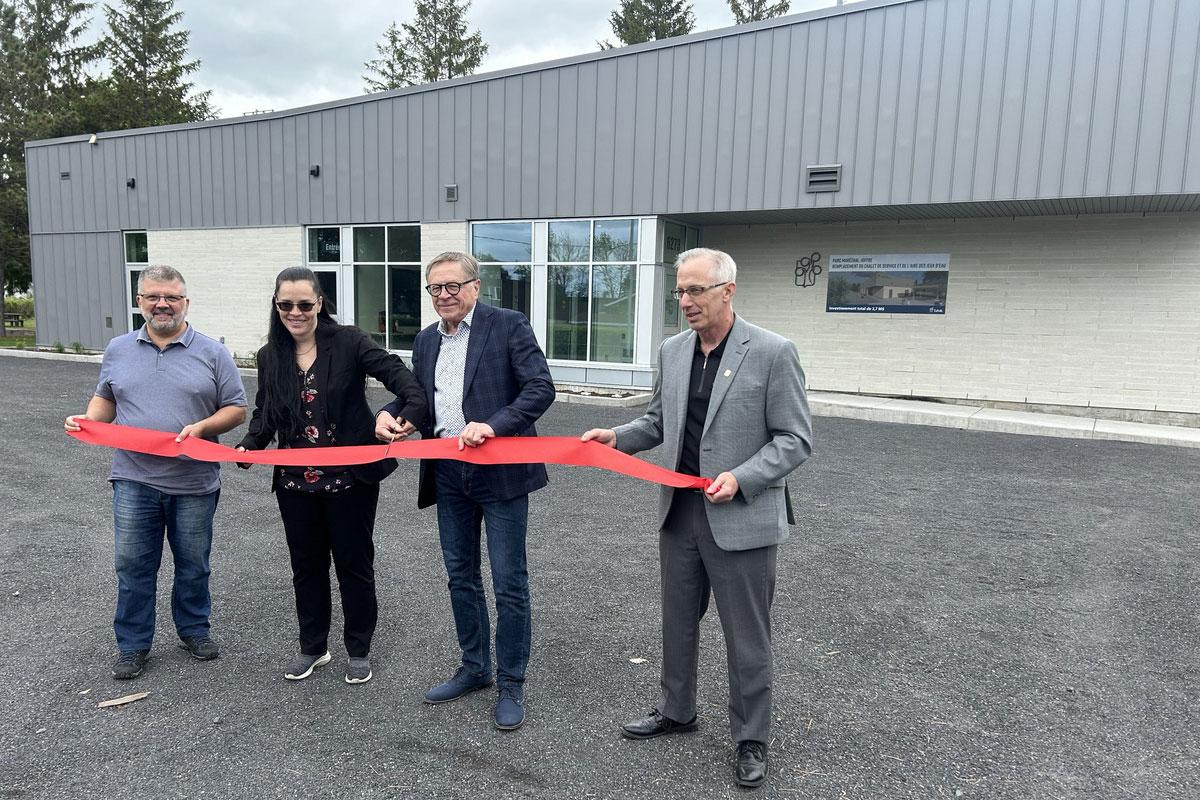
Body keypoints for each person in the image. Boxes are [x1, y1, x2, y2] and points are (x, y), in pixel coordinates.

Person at [582, 247, 812, 789]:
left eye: (695, 291)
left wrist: (743, 477)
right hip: (680, 511)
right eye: (679, 291)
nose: (684, 301)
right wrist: (618, 438)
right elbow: (659, 420)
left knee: (746, 636)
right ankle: (676, 709)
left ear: (727, 291)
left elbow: (796, 439)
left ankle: (751, 736)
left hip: (743, 517)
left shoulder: (774, 352)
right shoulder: (674, 349)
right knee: (677, 622)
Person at [375, 251, 554, 731]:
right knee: (460, 574)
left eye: (453, 286)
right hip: (448, 472)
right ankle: (475, 668)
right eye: (435, 288)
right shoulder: (427, 339)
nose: (444, 296)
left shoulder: (509, 325)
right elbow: (421, 396)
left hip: (500, 471)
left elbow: (540, 389)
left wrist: (493, 426)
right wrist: (391, 414)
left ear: (475, 287)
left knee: (508, 581)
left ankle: (511, 682)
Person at [236, 267, 425, 685]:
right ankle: (313, 647)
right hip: (294, 483)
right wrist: (251, 445)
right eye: (286, 305)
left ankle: (358, 649)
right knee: (306, 566)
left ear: (320, 303)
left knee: (353, 564)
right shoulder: (271, 355)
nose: (296, 312)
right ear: (276, 306)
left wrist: (403, 413)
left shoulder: (350, 342)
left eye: (305, 304)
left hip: (349, 480)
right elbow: (266, 412)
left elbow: (402, 379)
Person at [64, 265, 248, 680]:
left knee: (194, 564)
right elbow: (105, 399)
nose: (162, 304)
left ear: (186, 302)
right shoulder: (118, 349)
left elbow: (236, 408)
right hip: (133, 478)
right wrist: (89, 420)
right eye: (152, 296)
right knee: (132, 565)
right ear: (139, 301)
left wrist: (203, 428)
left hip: (195, 481)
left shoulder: (212, 352)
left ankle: (194, 629)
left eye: (171, 297)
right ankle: (132, 645)